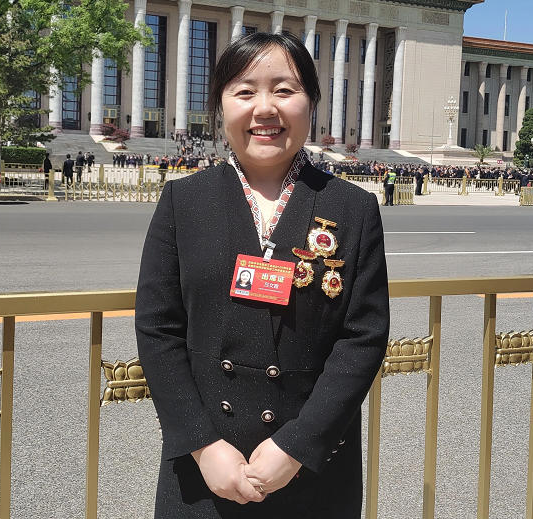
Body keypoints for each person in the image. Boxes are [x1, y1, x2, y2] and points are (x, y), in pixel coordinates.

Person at [135, 31, 389, 519]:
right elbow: (157, 329)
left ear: (312, 102)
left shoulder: (352, 208)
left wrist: (297, 445)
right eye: (245, 91)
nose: (265, 108)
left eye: (285, 90)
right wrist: (203, 445)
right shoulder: (184, 202)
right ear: (220, 105)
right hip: (206, 468)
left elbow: (363, 338)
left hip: (312, 467)